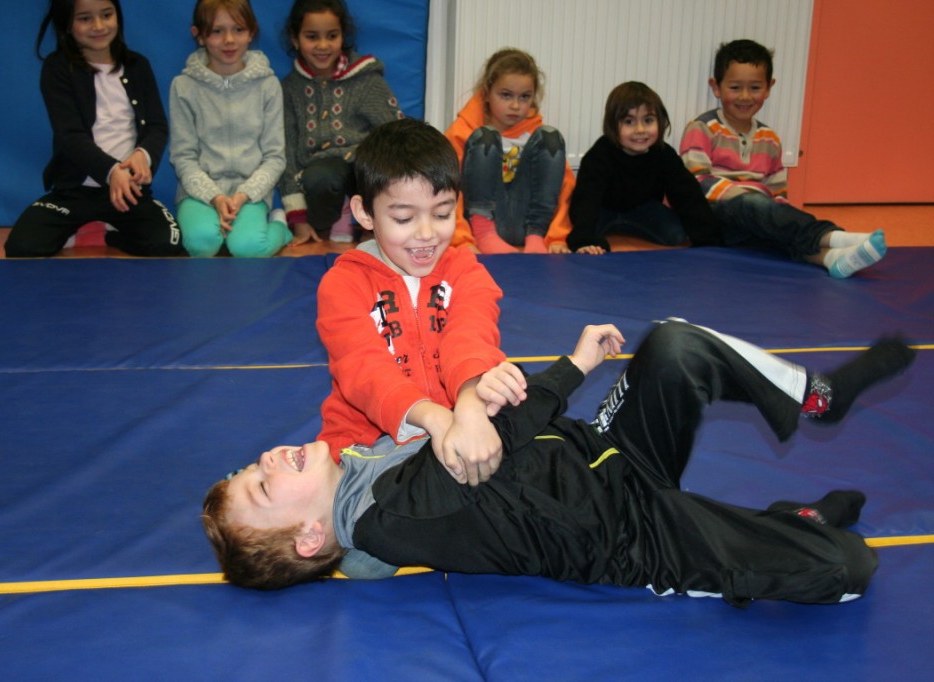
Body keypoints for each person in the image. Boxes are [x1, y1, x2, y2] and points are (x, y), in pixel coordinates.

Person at [202, 318, 916, 606]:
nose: (268, 457)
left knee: (671, 344)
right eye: (265, 482)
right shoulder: (385, 519)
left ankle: (815, 398)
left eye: (251, 464)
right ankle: (800, 524)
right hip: (633, 538)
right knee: (847, 570)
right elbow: (489, 445)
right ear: (307, 536)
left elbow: (352, 553)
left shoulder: (359, 472)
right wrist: (567, 369)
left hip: (605, 452)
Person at [315, 118, 507, 487]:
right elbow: (363, 370)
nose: (426, 234)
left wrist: (468, 407)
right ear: (364, 213)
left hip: (459, 425)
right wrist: (436, 419)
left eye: (442, 214)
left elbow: (472, 336)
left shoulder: (465, 271)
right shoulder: (343, 284)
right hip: (365, 446)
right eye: (404, 218)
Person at [679, 39, 885, 278]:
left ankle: (831, 259)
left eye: (755, 88)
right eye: (735, 87)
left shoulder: (770, 138)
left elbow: (777, 191)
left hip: (758, 217)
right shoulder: (702, 128)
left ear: (768, 88)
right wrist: (750, 199)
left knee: (779, 231)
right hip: (717, 216)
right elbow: (696, 181)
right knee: (757, 209)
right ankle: (834, 236)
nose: (745, 96)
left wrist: (776, 212)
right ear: (716, 87)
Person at [5, 0, 184, 258]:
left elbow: (157, 126)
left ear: (117, 17)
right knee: (22, 247)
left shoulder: (138, 66)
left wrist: (142, 155)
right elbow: (71, 137)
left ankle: (107, 232)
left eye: (106, 15)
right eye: (85, 18)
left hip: (129, 192)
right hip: (74, 192)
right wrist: (112, 172)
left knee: (168, 243)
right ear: (67, 25)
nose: (98, 26)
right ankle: (78, 227)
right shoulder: (57, 68)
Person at [168, 0, 290, 258]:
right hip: (200, 192)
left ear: (252, 32)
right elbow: (183, 156)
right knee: (202, 244)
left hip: (250, 192)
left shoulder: (268, 85)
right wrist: (214, 196)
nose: (229, 40)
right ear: (199, 36)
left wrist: (243, 195)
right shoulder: (183, 86)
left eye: (238, 29)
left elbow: (274, 157)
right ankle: (217, 227)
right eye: (216, 31)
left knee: (248, 248)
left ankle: (279, 224)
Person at [279, 0, 404, 246]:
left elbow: (394, 133)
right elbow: (288, 157)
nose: (323, 45)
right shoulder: (290, 90)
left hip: (363, 166)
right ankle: (338, 217)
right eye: (312, 36)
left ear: (343, 37)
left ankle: (370, 220)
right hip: (322, 180)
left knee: (377, 164)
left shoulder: (365, 79)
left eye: (332, 36)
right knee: (321, 178)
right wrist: (298, 218)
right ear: (296, 39)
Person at [445, 48, 575, 255]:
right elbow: (447, 189)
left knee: (551, 138)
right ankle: (484, 232)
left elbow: (564, 189)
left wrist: (557, 238)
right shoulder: (463, 131)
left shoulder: (535, 135)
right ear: (486, 94)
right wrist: (461, 241)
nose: (515, 105)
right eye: (506, 95)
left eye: (524, 97)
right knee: (485, 138)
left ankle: (535, 235)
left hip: (531, 225)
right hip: (485, 225)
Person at [567, 82, 723, 254]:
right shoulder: (600, 155)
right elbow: (586, 199)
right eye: (629, 121)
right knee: (584, 227)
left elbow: (687, 194)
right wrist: (583, 240)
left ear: (660, 122)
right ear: (613, 126)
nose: (640, 130)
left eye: (648, 120)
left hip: (644, 209)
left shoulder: (664, 154)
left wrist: (709, 240)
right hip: (602, 210)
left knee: (676, 234)